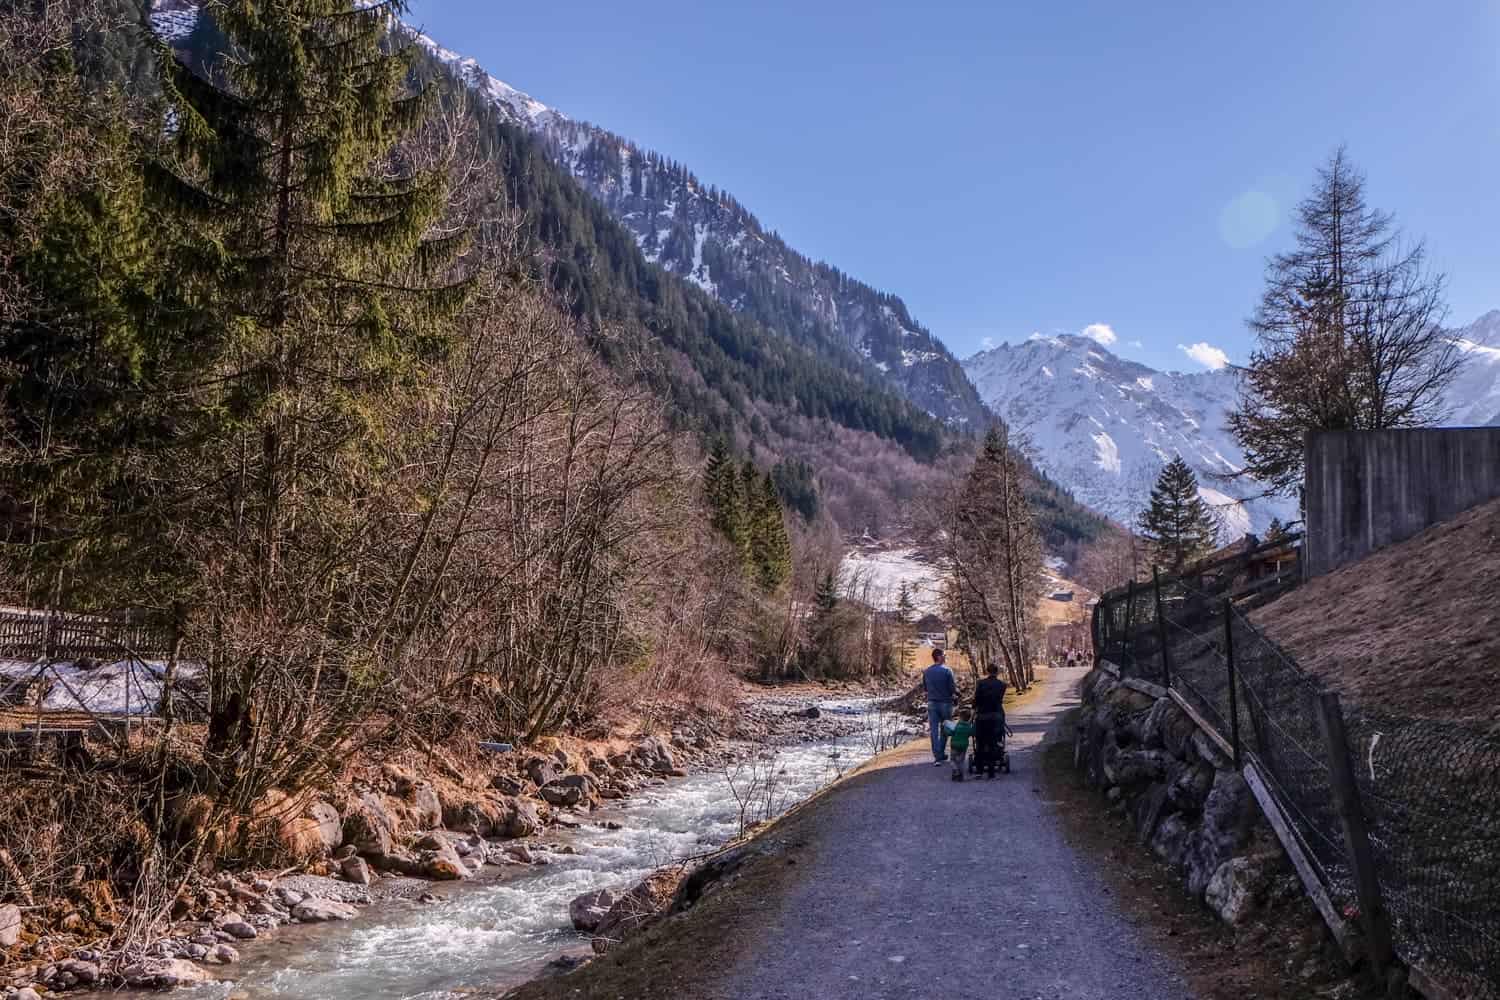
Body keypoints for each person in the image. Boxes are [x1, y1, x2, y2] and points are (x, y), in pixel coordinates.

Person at [972, 662, 1008, 779]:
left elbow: (976, 699)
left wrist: (974, 708)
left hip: (982, 715)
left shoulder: (981, 683)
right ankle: (991, 771)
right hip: (996, 715)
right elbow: (999, 699)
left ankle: (979, 770)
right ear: (997, 672)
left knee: (980, 742)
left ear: (987, 671)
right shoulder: (1002, 685)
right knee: (993, 742)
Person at [922, 647, 957, 765]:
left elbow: (925, 689)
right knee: (946, 729)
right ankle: (940, 753)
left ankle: (937, 756)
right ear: (939, 657)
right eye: (944, 655)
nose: (945, 657)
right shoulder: (948, 671)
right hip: (946, 703)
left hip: (932, 703)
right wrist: (956, 696)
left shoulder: (926, 672)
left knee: (934, 731)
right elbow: (952, 689)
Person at [942, 709, 974, 781]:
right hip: (963, 747)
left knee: (953, 760)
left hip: (954, 746)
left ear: (961, 718)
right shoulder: (968, 727)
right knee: (961, 761)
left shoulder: (956, 726)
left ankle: (955, 769)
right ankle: (961, 774)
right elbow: (972, 733)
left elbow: (949, 733)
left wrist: (945, 727)